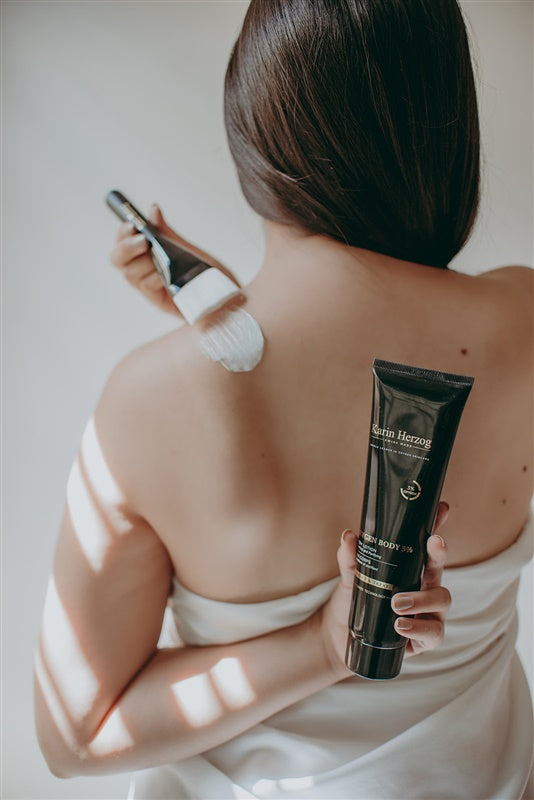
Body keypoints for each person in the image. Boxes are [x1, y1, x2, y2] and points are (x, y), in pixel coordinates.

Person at [34, 1, 533, 798]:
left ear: (254, 136)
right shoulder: (523, 321)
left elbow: (78, 733)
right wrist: (226, 312)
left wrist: (318, 647)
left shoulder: (151, 400)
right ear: (449, 131)